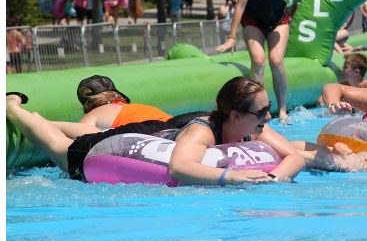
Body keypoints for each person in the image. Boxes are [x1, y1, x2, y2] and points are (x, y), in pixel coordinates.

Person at [6, 77, 305, 185]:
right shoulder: (203, 132)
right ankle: (13, 108)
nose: (268, 116)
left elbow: (294, 156)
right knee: (62, 151)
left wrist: (274, 178)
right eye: (262, 111)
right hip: (130, 141)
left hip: (159, 129)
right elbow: (179, 167)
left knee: (78, 134)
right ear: (236, 115)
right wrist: (232, 176)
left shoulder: (254, 128)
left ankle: (33, 115)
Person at [215, 0, 309, 124]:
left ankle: (282, 110)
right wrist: (231, 36)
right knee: (258, 60)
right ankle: (258, 110)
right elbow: (241, 4)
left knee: (276, 60)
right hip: (253, 21)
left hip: (278, 20)